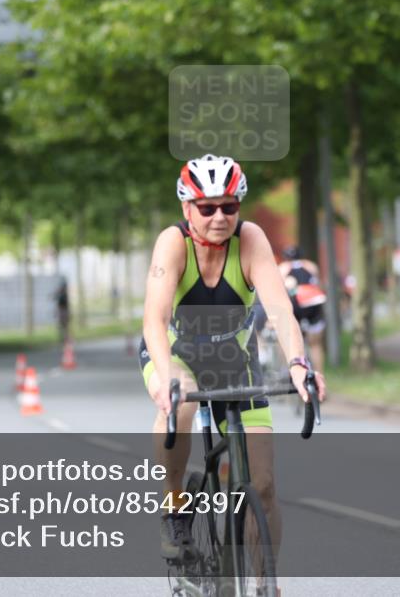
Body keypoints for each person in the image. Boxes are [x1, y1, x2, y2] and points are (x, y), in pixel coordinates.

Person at [140, 153, 327, 560]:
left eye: (229, 206)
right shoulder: (173, 243)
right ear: (187, 208)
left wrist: (299, 364)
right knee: (181, 401)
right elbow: (154, 320)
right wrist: (167, 379)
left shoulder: (251, 239)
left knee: (264, 486)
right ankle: (174, 506)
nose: (219, 217)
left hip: (234, 360)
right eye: (207, 208)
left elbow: (280, 311)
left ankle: (264, 583)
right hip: (175, 354)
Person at [278, 245, 328, 374]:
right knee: (315, 344)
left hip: (295, 304)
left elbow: (279, 292)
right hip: (313, 303)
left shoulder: (283, 268)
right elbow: (320, 286)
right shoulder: (311, 266)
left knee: (287, 342)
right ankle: (319, 375)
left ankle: (289, 374)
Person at [55, 276, 71, 346]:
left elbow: (65, 305)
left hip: (64, 311)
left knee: (65, 326)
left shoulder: (64, 295)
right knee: (62, 326)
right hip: (61, 311)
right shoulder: (61, 294)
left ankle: (66, 339)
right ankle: (63, 338)